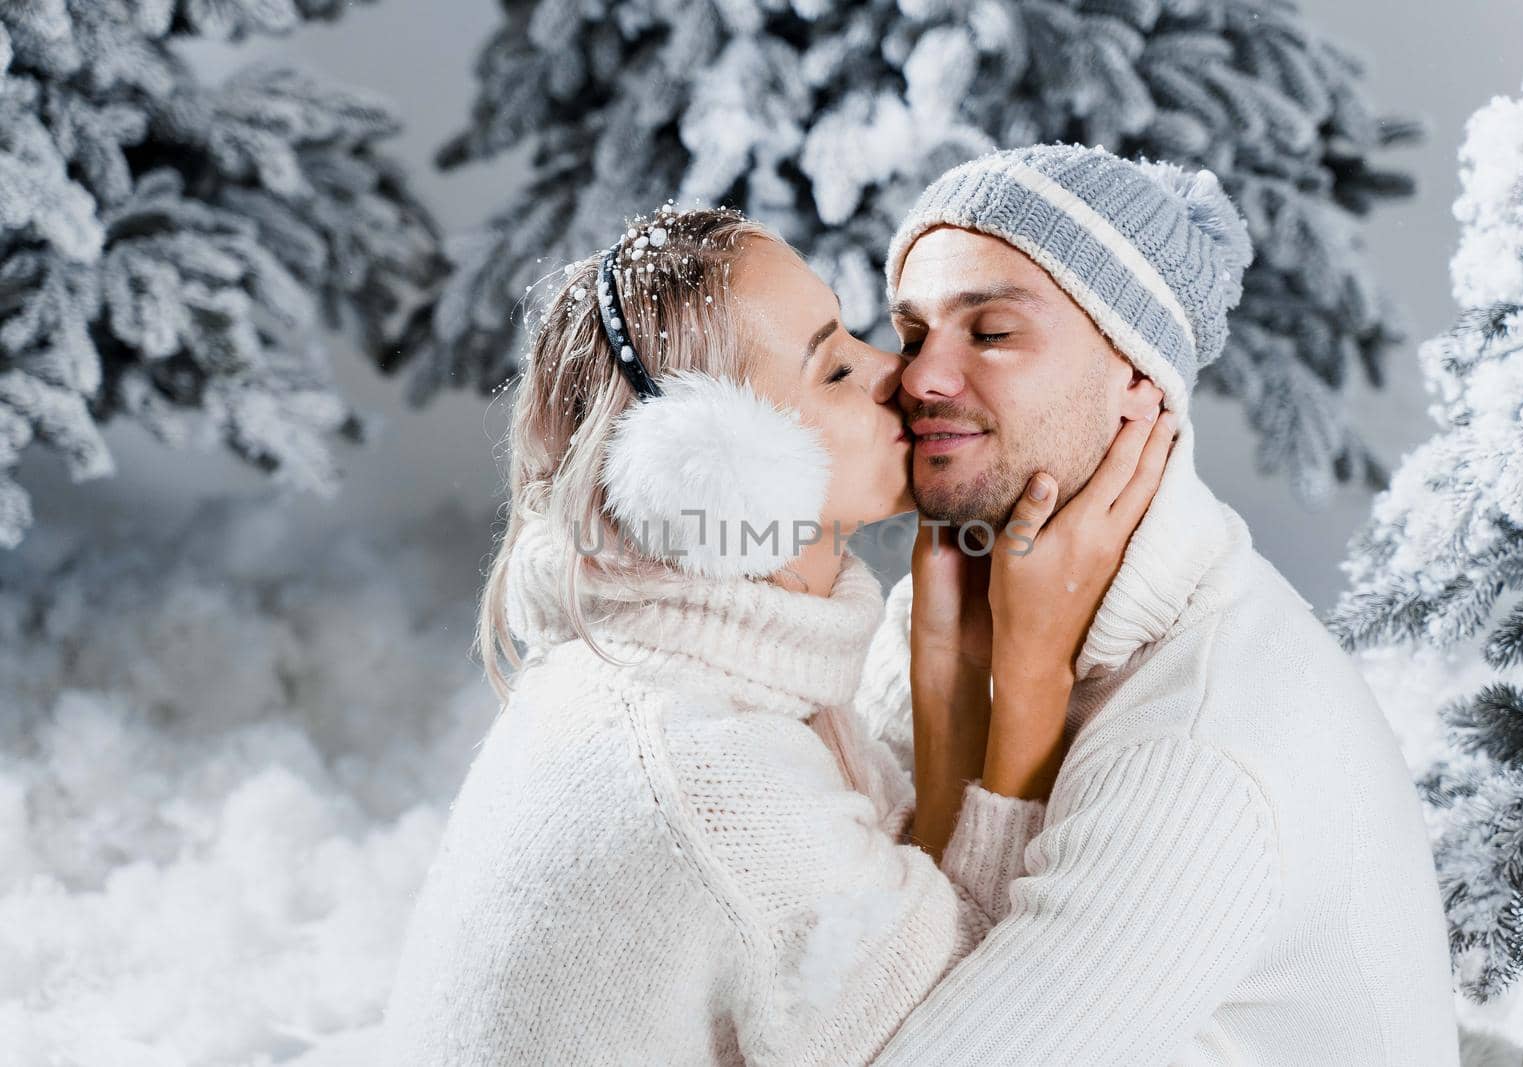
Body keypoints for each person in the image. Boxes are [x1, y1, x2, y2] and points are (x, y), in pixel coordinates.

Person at [378, 202, 1176, 1064]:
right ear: (718, 467)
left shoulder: (695, 681)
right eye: (833, 369)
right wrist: (1029, 673)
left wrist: (944, 661)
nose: (899, 375)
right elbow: (980, 1032)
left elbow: (899, 921)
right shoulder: (708, 772)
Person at [854, 143, 1464, 1064]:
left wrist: (1024, 691)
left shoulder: (1202, 739)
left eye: (989, 332)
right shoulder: (948, 600)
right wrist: (949, 688)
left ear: (1140, 383)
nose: (921, 378)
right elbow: (841, 959)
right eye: (912, 333)